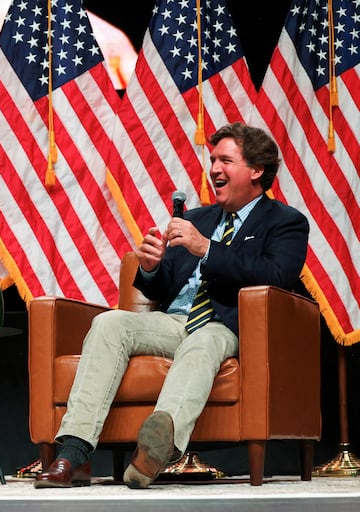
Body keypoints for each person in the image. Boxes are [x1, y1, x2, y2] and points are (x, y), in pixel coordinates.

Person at [34, 122, 309, 489]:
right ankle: (73, 452)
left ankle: (154, 450)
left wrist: (207, 249)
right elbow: (163, 286)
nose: (214, 169)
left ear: (256, 170)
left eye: (225, 160)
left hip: (226, 323)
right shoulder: (196, 219)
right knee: (110, 323)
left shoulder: (285, 222)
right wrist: (150, 268)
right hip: (174, 320)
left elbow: (276, 275)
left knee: (203, 341)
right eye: (212, 160)